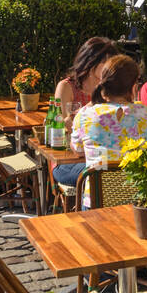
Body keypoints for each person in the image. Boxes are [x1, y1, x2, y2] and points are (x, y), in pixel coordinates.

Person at [69, 55, 147, 208]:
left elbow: (77, 148)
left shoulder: (85, 115)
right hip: (146, 204)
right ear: (134, 85)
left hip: (97, 205)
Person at [51, 37, 120, 189]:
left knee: (121, 170)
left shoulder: (112, 88)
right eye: (107, 63)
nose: (112, 68)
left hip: (103, 156)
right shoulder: (66, 87)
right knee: (102, 174)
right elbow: (60, 130)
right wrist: (70, 123)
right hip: (68, 161)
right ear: (90, 63)